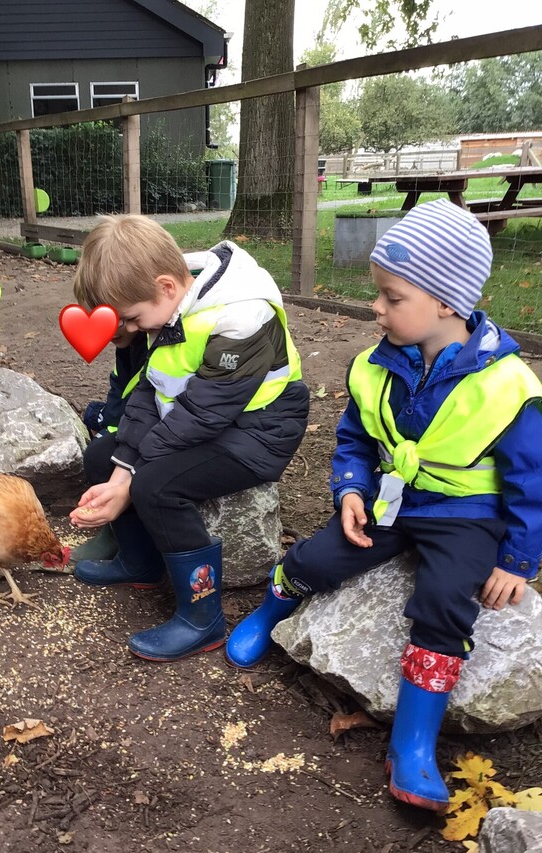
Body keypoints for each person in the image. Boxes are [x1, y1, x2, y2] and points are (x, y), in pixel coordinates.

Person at [226, 198, 542, 812]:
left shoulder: (510, 387)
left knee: (447, 600)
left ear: (447, 301)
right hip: (391, 504)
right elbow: (355, 439)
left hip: (464, 515)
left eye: (392, 297)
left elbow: (533, 480)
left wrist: (518, 557)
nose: (377, 307)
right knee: (319, 557)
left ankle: (412, 743)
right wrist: (349, 490)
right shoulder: (375, 367)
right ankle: (269, 613)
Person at [69, 215, 310, 662]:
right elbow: (149, 390)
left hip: (259, 433)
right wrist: (121, 467)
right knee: (103, 453)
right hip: (206, 420)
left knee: (156, 485)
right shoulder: (169, 307)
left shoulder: (241, 316)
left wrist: (131, 480)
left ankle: (203, 618)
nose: (134, 330)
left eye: (133, 320)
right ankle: (139, 561)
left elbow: (203, 414)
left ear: (164, 286)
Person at [73, 322, 148, 563]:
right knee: (99, 449)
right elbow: (120, 391)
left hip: (166, 429)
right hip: (138, 420)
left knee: (103, 457)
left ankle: (132, 549)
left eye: (122, 319)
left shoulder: (155, 340)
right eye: (103, 320)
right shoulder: (129, 346)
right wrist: (109, 425)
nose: (111, 330)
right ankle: (117, 529)